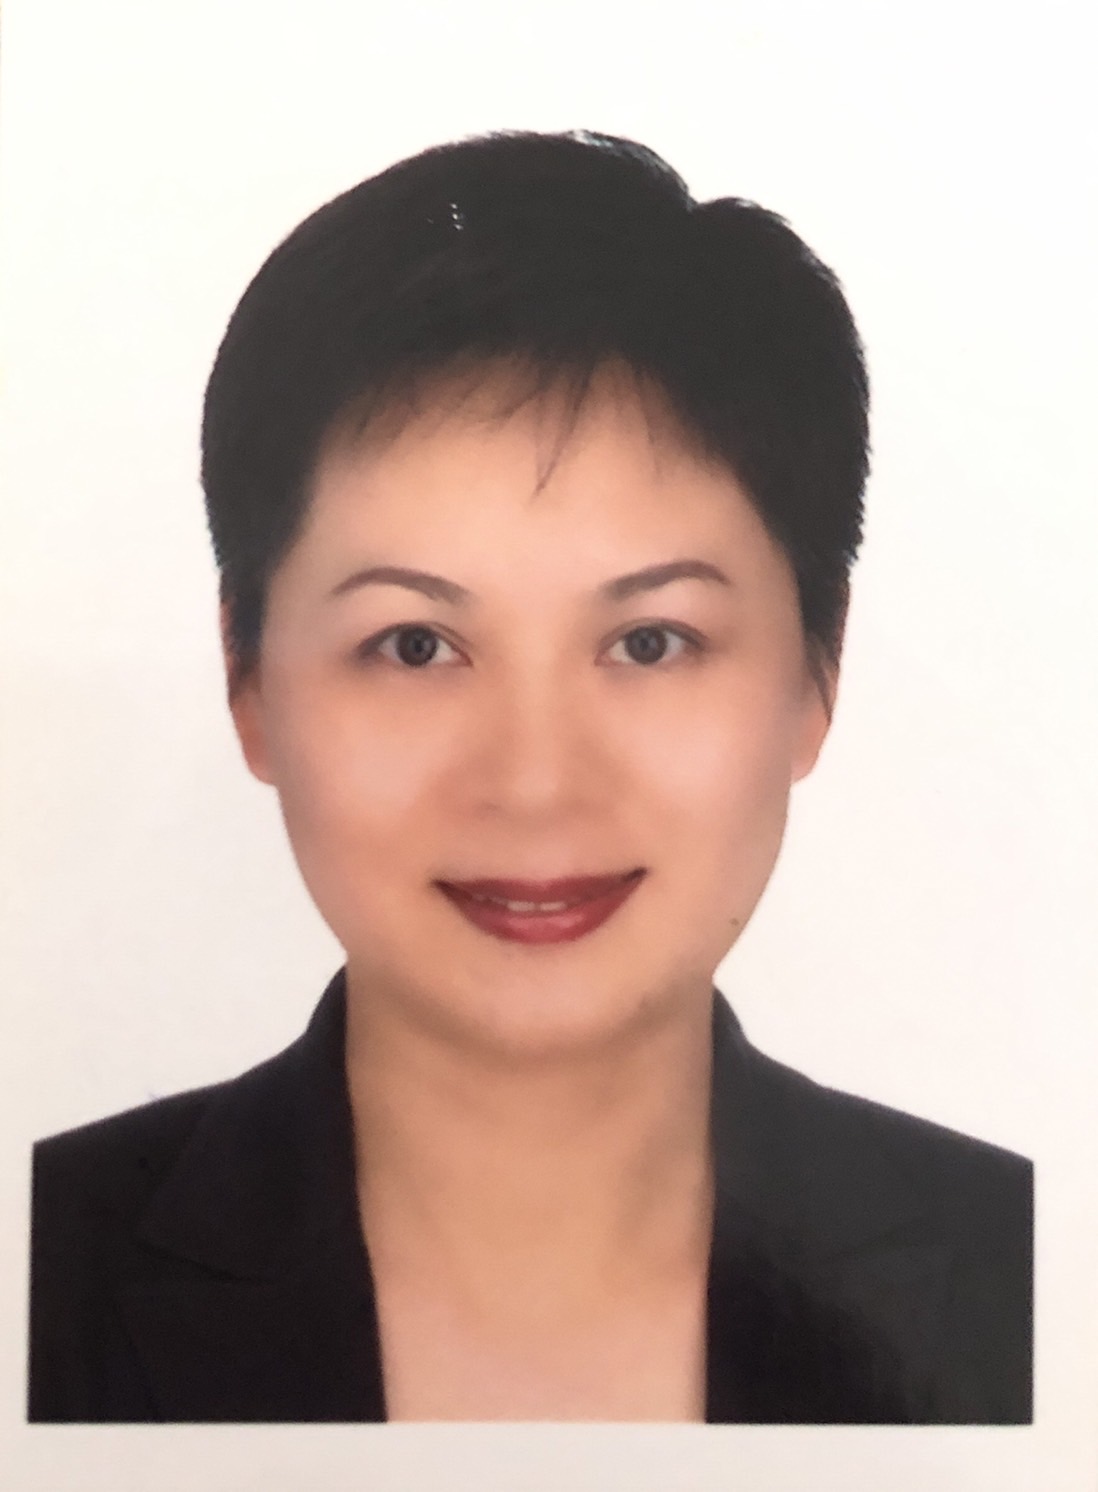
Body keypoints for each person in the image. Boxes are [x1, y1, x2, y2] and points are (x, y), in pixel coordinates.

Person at [27, 129, 1032, 1423]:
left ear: (816, 672)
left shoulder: (1035, 1281)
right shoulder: (38, 1277)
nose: (535, 783)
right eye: (415, 645)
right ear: (249, 680)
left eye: (650, 642)